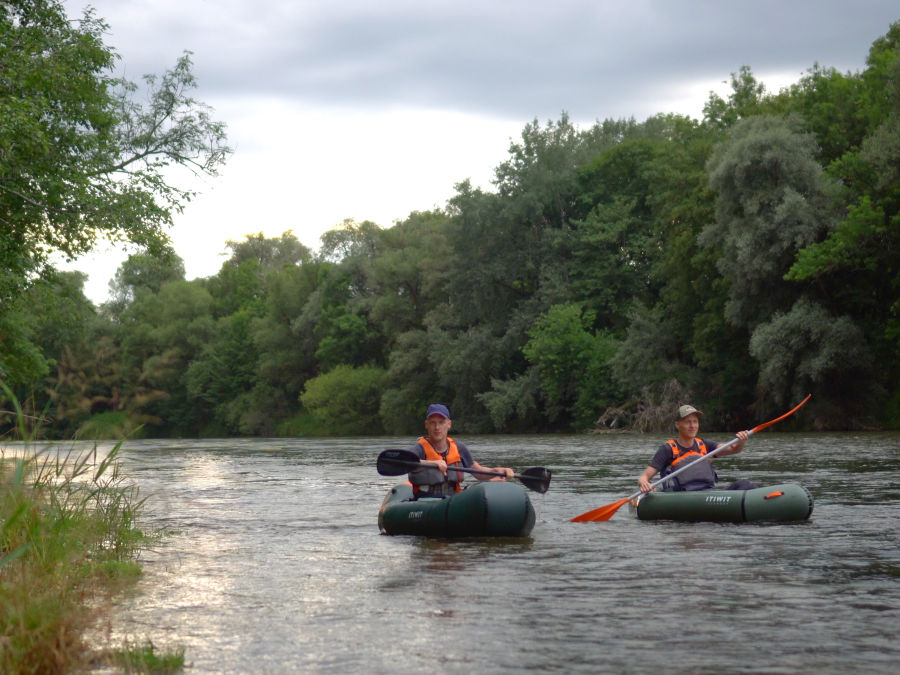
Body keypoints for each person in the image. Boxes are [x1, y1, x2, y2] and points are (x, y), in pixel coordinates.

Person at [637, 404, 754, 493]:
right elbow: (644, 477)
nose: (692, 426)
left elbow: (734, 449)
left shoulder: (704, 444)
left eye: (695, 422)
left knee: (745, 485)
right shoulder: (667, 449)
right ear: (678, 425)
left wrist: (741, 441)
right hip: (681, 497)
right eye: (688, 422)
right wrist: (645, 483)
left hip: (707, 493)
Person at [407, 403, 514, 498]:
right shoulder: (419, 449)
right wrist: (432, 463)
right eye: (432, 423)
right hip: (425, 500)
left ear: (449, 424)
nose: (437, 427)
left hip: (453, 499)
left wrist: (497, 471)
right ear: (427, 425)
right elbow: (408, 462)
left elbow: (479, 472)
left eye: (441, 422)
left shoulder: (459, 448)